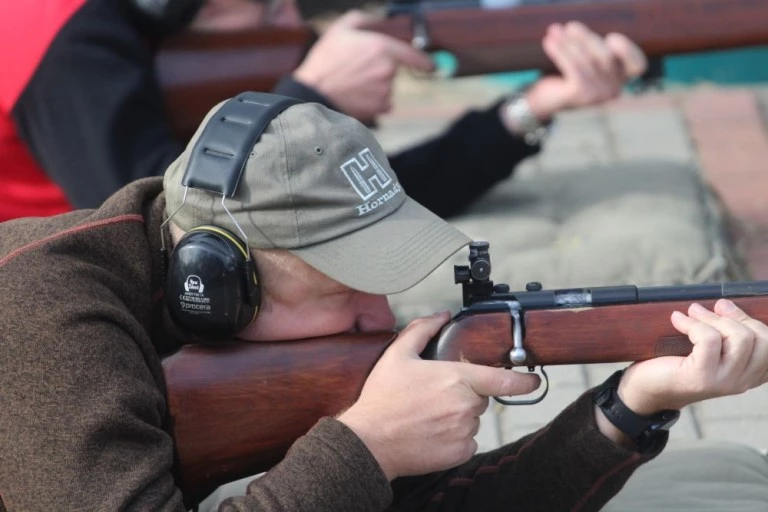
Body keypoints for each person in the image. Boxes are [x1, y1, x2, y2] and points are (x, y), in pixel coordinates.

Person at [1, 94, 767, 512]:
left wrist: (632, 404)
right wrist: (364, 447)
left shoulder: (189, 307)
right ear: (216, 281)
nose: (380, 315)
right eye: (345, 288)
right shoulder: (41, 318)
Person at [0, 0, 646, 222]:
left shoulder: (127, 36)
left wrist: (532, 107)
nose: (294, 21)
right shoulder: (63, 46)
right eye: (268, 7)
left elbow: (354, 202)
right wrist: (308, 99)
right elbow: (165, 228)